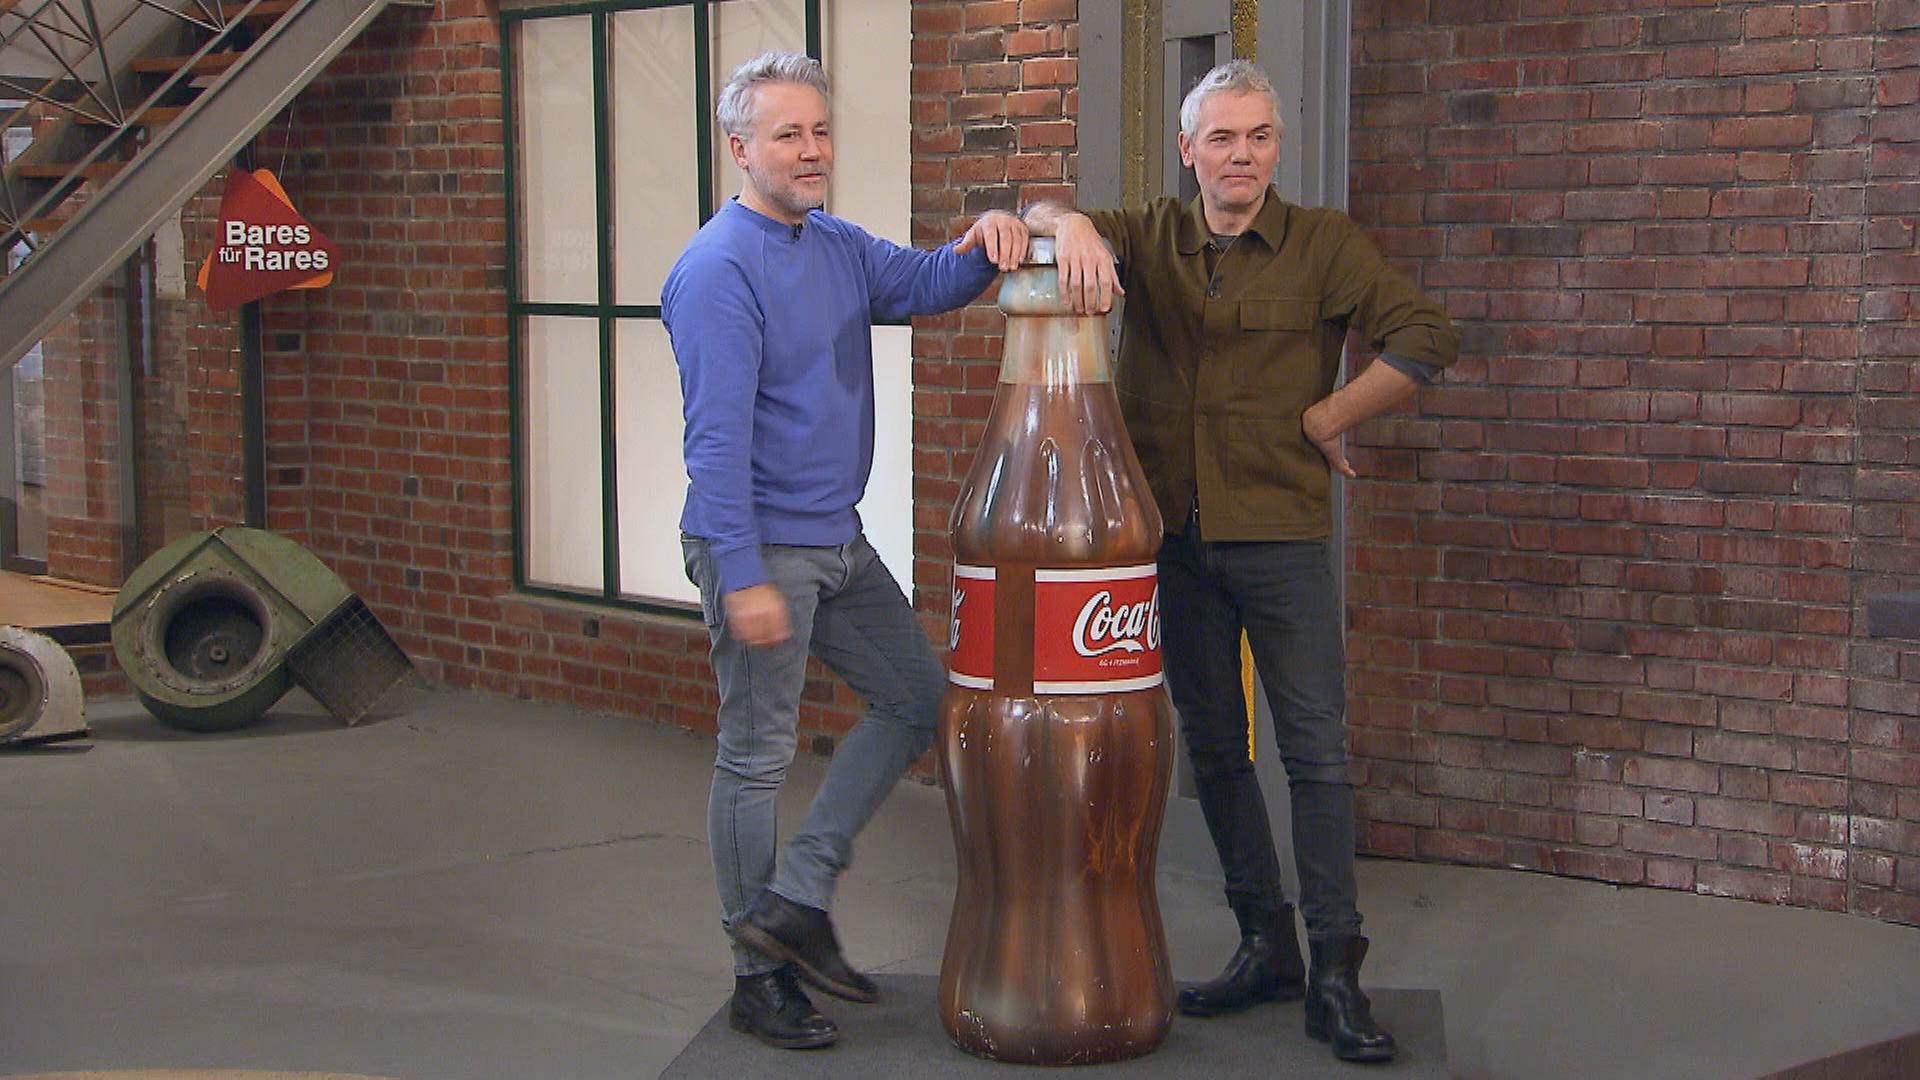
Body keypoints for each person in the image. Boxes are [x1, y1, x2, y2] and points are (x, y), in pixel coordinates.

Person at [1024, 59, 1458, 1064]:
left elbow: (1424, 334)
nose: (1242, 156)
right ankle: (1265, 944)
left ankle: (1336, 973)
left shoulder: (1323, 244)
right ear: (1188, 150)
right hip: (1174, 543)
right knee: (1216, 751)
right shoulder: (1151, 236)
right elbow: (1036, 211)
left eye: (1259, 137)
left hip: (1281, 539)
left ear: (1276, 147)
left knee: (1316, 755)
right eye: (1221, 138)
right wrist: (1072, 225)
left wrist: (1330, 414)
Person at [662, 51, 1028, 1051]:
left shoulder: (832, 244)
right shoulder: (717, 270)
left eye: (820, 130)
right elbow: (714, 446)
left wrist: (995, 235)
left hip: (837, 538)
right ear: (740, 149)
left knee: (917, 697)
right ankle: (759, 977)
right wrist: (742, 576)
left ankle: (797, 896)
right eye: (788, 133)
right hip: (759, 542)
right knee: (755, 756)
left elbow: (930, 280)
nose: (811, 149)